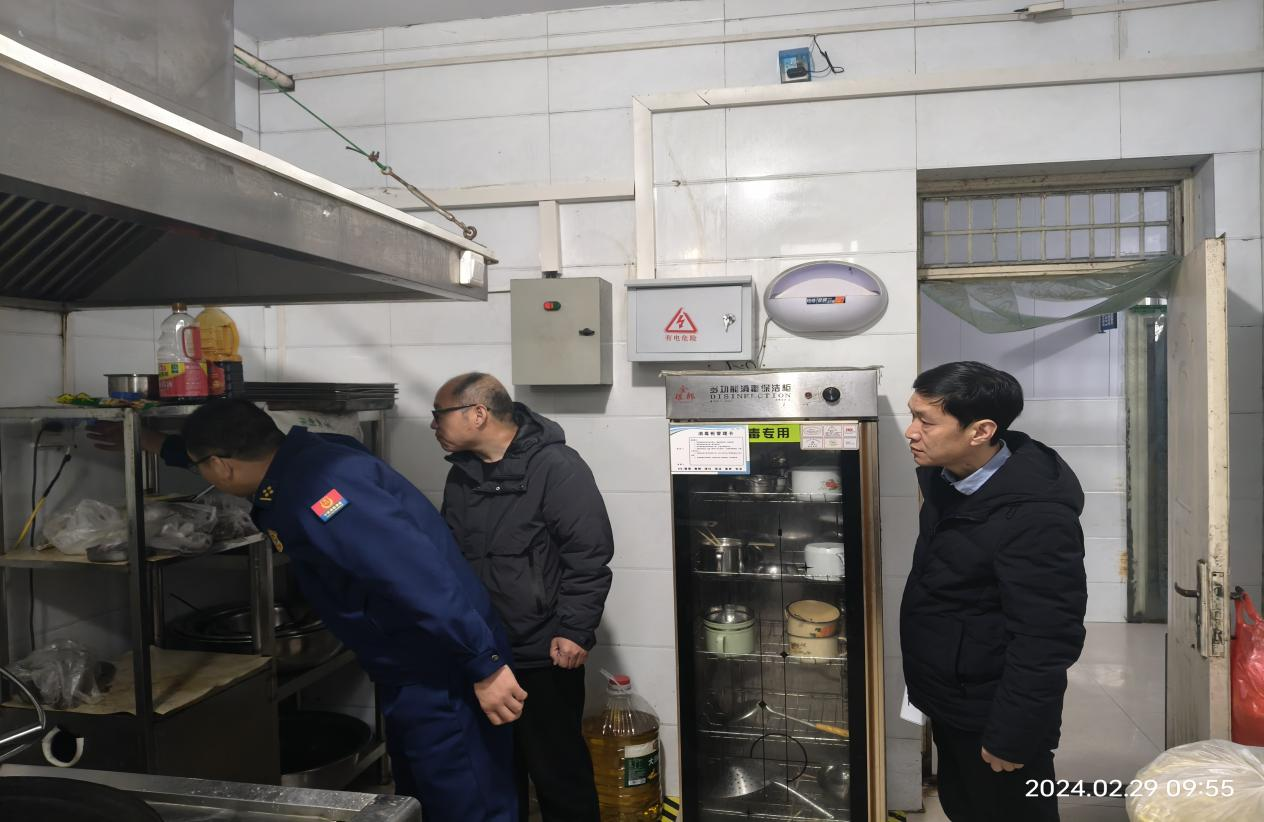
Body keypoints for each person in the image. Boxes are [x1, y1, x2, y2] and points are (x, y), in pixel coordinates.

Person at [163, 399, 525, 821]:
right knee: (425, 796)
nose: (203, 476)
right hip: (415, 664)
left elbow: (415, 576)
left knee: (469, 802)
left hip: (441, 665)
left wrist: (485, 665)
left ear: (221, 465)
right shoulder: (309, 455)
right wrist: (160, 445)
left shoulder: (320, 491)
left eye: (199, 467)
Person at [900, 361, 1087, 822]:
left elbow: (1047, 637)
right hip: (953, 697)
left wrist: (1013, 735)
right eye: (913, 415)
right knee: (962, 805)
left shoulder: (1036, 516)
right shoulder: (946, 478)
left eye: (926, 420)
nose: (911, 432)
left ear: (981, 431)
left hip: (994, 712)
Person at [431, 373, 613, 822]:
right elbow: (450, 559)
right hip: (484, 654)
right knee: (495, 773)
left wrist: (575, 629)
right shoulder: (462, 476)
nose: (433, 425)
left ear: (478, 414)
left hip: (543, 653)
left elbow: (588, 554)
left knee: (558, 775)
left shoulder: (557, 467)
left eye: (440, 415)